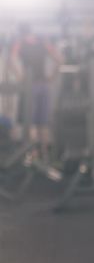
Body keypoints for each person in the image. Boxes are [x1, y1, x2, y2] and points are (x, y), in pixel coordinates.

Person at [9, 23, 61, 161]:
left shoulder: (19, 43)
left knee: (31, 123)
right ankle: (44, 156)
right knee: (42, 123)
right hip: (43, 85)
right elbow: (59, 59)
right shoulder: (43, 42)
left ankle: (34, 156)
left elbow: (10, 61)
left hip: (31, 86)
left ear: (21, 33)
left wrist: (20, 76)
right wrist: (52, 76)